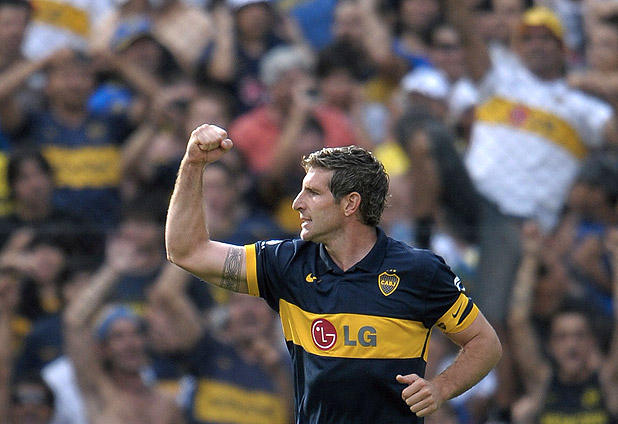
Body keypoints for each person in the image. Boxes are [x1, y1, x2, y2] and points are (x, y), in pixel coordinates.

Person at [165, 124, 502, 421]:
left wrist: (441, 388)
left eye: (312, 192)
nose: (297, 203)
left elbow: (484, 343)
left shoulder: (420, 272)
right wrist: (193, 164)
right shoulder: (285, 264)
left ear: (350, 204)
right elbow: (187, 251)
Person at [508, 222, 618, 422]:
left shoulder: (607, 384)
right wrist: (531, 257)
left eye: (579, 336)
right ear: (551, 346)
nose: (571, 344)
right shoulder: (542, 384)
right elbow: (518, 322)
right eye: (562, 337)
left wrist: (616, 257)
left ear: (591, 342)